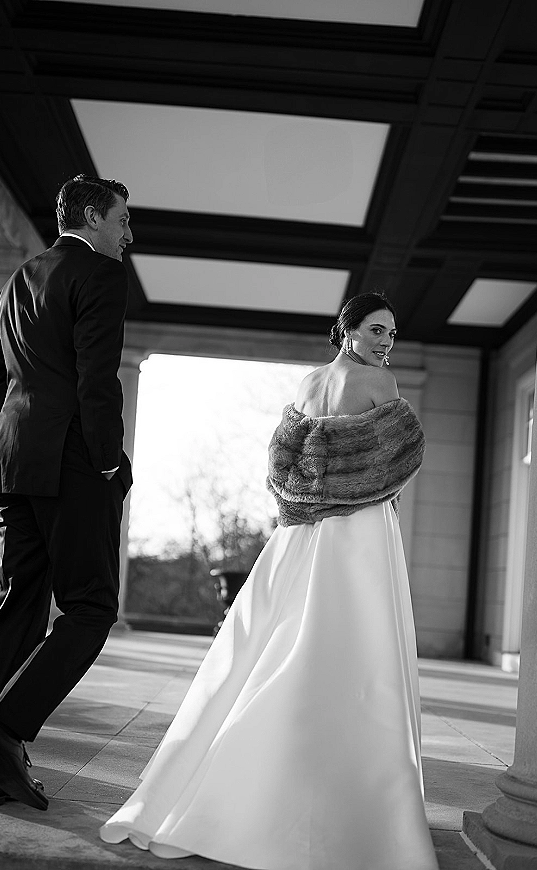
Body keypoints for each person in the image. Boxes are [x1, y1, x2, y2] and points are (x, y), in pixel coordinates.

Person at [99, 292, 438, 870]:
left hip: (299, 529)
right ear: (348, 330)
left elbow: (282, 463)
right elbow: (401, 458)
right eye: (377, 330)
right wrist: (363, 489)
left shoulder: (306, 386)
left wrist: (315, 491)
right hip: (358, 530)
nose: (386, 342)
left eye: (392, 333)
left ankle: (225, 776)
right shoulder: (385, 388)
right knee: (355, 642)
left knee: (269, 637)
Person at [0, 174, 133, 812]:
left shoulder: (18, 278)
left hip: (14, 459)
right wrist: (108, 462)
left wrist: (13, 434)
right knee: (90, 610)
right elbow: (98, 378)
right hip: (72, 463)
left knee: (20, 606)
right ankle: (3, 733)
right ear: (91, 217)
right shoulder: (100, 275)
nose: (127, 235)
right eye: (121, 221)